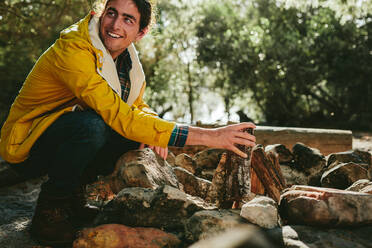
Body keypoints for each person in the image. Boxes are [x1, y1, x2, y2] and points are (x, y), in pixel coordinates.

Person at [0, 0, 256, 245]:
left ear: (141, 32)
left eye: (128, 19)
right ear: (102, 13)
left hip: (61, 134)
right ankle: (50, 210)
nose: (115, 25)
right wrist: (210, 137)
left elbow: (136, 106)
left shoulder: (126, 59)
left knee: (130, 134)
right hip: (26, 146)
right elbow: (118, 114)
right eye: (111, 13)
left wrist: (153, 127)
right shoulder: (74, 48)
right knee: (93, 126)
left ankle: (73, 199)